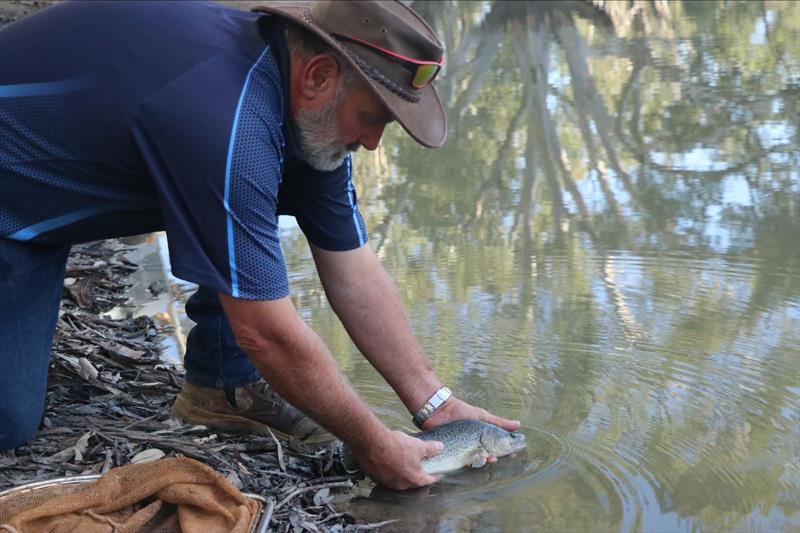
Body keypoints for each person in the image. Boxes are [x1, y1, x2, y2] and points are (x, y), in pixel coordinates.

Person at [0, 0, 519, 490]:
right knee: (9, 423)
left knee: (253, 205)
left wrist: (437, 406)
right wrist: (373, 443)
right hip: (10, 206)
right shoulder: (224, 119)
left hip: (43, 204)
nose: (372, 143)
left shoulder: (298, 103)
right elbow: (265, 332)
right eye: (373, 118)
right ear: (320, 76)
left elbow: (355, 271)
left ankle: (222, 388)